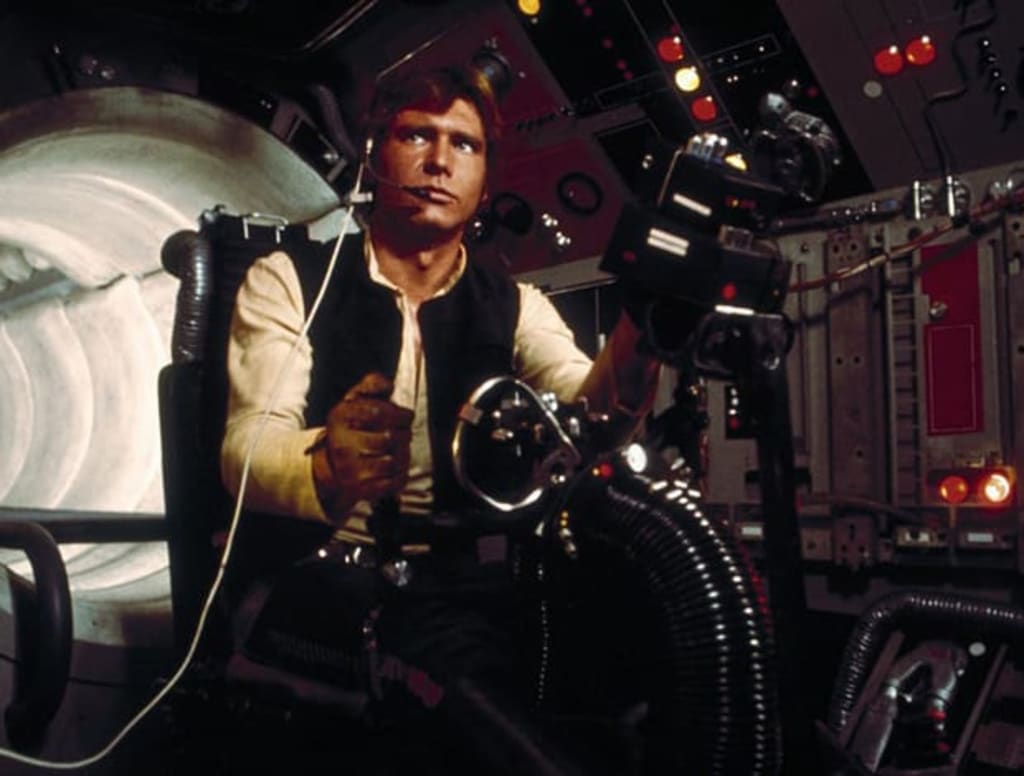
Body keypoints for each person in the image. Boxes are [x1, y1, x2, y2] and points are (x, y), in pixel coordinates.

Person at [219, 63, 661, 773]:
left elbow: (593, 416)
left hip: (470, 588)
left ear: (484, 180)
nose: (439, 162)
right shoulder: (290, 279)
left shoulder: (515, 305)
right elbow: (248, 446)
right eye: (416, 136)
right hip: (325, 583)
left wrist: (646, 328)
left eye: (464, 144)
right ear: (375, 155)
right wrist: (325, 465)